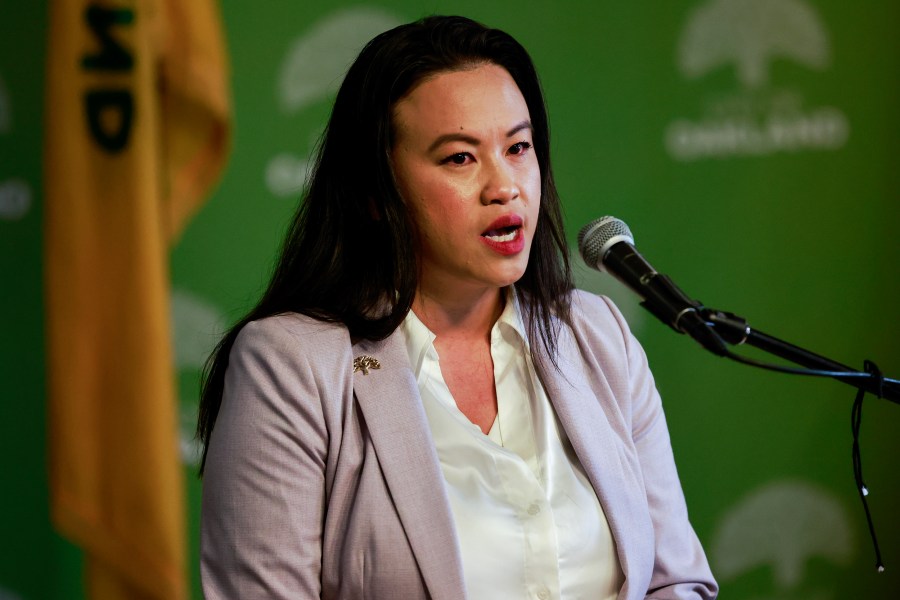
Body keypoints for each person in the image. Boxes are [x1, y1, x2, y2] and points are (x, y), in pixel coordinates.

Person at [198, 15, 718, 600]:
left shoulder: (596, 335)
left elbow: (678, 581)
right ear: (376, 192)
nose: (505, 186)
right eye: (459, 159)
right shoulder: (294, 364)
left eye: (518, 147)